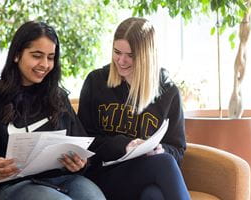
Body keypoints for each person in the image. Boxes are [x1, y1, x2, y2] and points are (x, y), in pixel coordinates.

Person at [0, 21, 105, 200]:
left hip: (66, 178)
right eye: (36, 55)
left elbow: (81, 145)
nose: (44, 64)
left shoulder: (58, 97)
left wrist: (80, 162)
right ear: (16, 55)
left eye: (51, 57)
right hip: (16, 185)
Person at [78, 17, 190, 200]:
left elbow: (177, 149)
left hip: (145, 173)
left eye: (131, 55)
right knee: (163, 164)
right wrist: (125, 145)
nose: (121, 61)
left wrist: (161, 149)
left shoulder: (168, 92)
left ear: (147, 56)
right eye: (117, 52)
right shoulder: (96, 82)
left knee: (154, 195)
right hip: (103, 175)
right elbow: (84, 140)